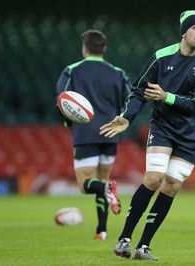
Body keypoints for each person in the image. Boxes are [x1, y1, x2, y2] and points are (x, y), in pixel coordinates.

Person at [100, 10, 195, 260]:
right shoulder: (161, 57)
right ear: (184, 32)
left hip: (191, 133)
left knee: (172, 186)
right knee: (154, 178)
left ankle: (144, 246)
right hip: (163, 126)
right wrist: (127, 117)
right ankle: (124, 238)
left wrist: (167, 96)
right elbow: (139, 90)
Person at [56, 29, 131, 240]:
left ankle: (108, 192)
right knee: (103, 180)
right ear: (104, 48)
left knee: (85, 184)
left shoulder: (72, 70)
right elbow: (131, 101)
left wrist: (69, 124)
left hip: (85, 133)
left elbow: (62, 100)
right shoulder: (119, 73)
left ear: (84, 48)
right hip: (111, 133)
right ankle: (102, 230)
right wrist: (121, 123)